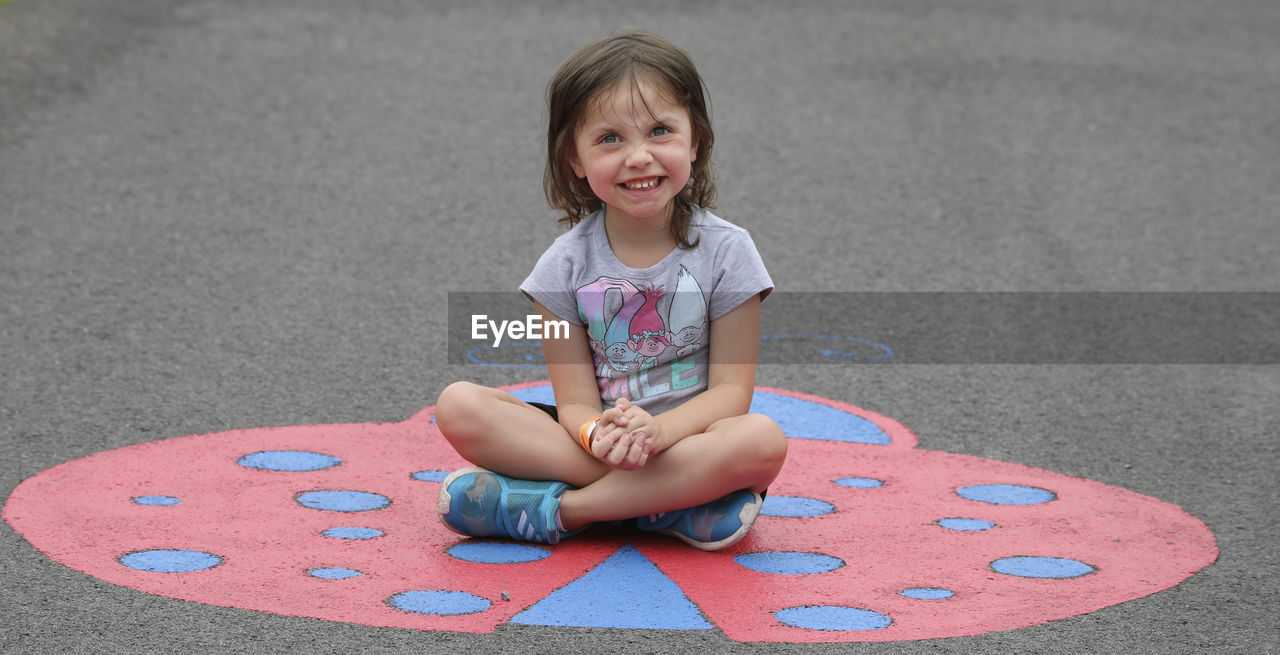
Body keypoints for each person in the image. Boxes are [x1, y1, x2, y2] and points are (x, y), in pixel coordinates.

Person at [434, 30, 786, 551]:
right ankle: (671, 505)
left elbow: (732, 395)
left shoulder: (729, 253)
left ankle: (562, 510)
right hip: (601, 445)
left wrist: (660, 435)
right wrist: (601, 435)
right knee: (459, 405)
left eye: (660, 130)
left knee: (761, 440)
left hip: (692, 442)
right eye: (609, 139)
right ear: (574, 160)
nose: (639, 156)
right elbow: (575, 403)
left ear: (696, 141)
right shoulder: (562, 267)